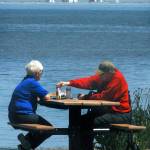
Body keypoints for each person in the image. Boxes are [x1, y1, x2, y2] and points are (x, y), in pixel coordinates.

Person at [57, 60, 132, 150]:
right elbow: (89, 81)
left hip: (120, 114)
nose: (99, 76)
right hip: (109, 111)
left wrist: (86, 97)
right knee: (78, 121)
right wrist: (69, 83)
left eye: (101, 74)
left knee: (85, 123)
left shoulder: (117, 79)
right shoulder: (105, 76)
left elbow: (104, 97)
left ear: (108, 73)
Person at [8, 60, 53, 150]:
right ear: (37, 73)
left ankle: (26, 143)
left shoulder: (25, 80)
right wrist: (56, 94)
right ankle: (26, 146)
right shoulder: (32, 82)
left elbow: (30, 95)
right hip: (22, 115)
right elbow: (47, 97)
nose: (42, 74)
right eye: (41, 72)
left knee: (41, 128)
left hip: (13, 116)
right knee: (49, 129)